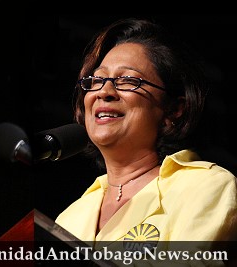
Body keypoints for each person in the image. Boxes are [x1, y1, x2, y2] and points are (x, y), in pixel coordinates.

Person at [54, 18, 237, 265]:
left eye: (128, 80)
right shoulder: (69, 217)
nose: (104, 92)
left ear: (174, 109)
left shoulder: (205, 186)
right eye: (96, 80)